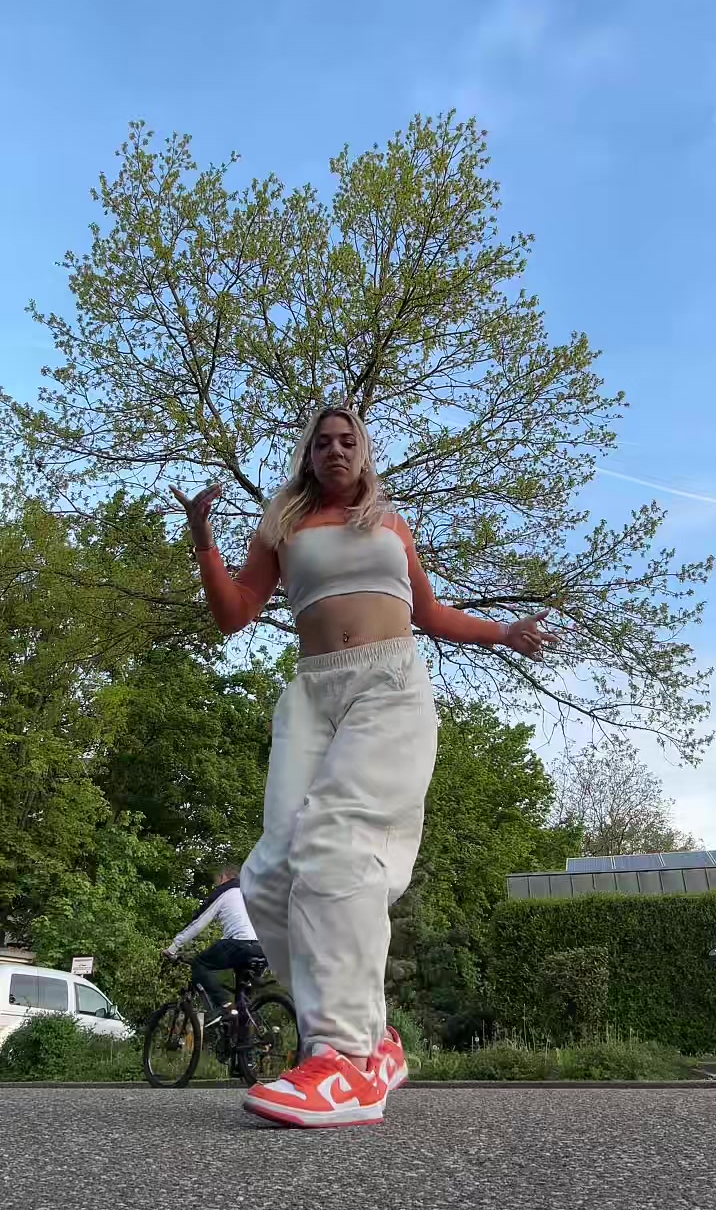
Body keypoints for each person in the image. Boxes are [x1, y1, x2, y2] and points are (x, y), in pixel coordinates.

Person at [170, 407, 558, 1128]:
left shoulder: (390, 523)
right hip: (313, 695)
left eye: (348, 440)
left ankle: (343, 1058)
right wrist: (203, 542)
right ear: (307, 456)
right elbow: (234, 614)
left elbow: (432, 615)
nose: (335, 449)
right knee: (271, 874)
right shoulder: (283, 524)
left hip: (388, 684)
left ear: (364, 452)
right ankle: (374, 1039)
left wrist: (504, 632)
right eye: (322, 442)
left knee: (337, 845)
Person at [163, 865, 266, 1026]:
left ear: (224, 877)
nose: (216, 885)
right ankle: (245, 1036)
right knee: (243, 999)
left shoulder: (225, 892)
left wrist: (173, 948)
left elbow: (198, 923)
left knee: (200, 964)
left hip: (240, 944)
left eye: (217, 881)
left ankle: (224, 1006)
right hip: (263, 948)